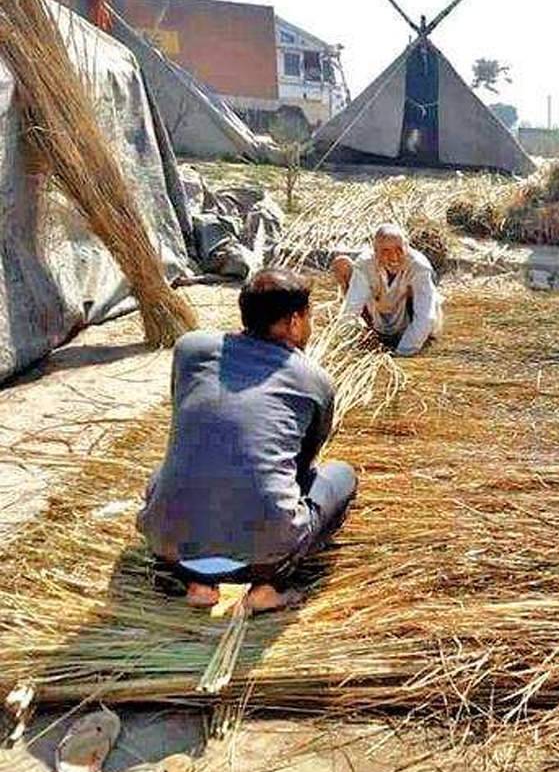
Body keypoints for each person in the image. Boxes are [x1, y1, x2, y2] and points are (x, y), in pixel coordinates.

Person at [137, 268, 357, 612]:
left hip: (171, 548)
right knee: (341, 475)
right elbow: (302, 467)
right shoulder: (315, 380)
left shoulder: (190, 348)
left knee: (163, 476)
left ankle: (199, 584)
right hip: (265, 557)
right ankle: (268, 589)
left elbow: (184, 416)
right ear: (295, 321)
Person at [331, 223, 443, 357]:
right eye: (386, 251)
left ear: (407, 247)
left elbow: (425, 316)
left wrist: (403, 353)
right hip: (378, 321)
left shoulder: (419, 266)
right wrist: (345, 346)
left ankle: (413, 341)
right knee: (342, 264)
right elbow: (351, 309)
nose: (394, 257)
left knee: (429, 312)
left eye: (399, 250)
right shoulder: (365, 264)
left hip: (408, 324)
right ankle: (374, 336)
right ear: (375, 252)